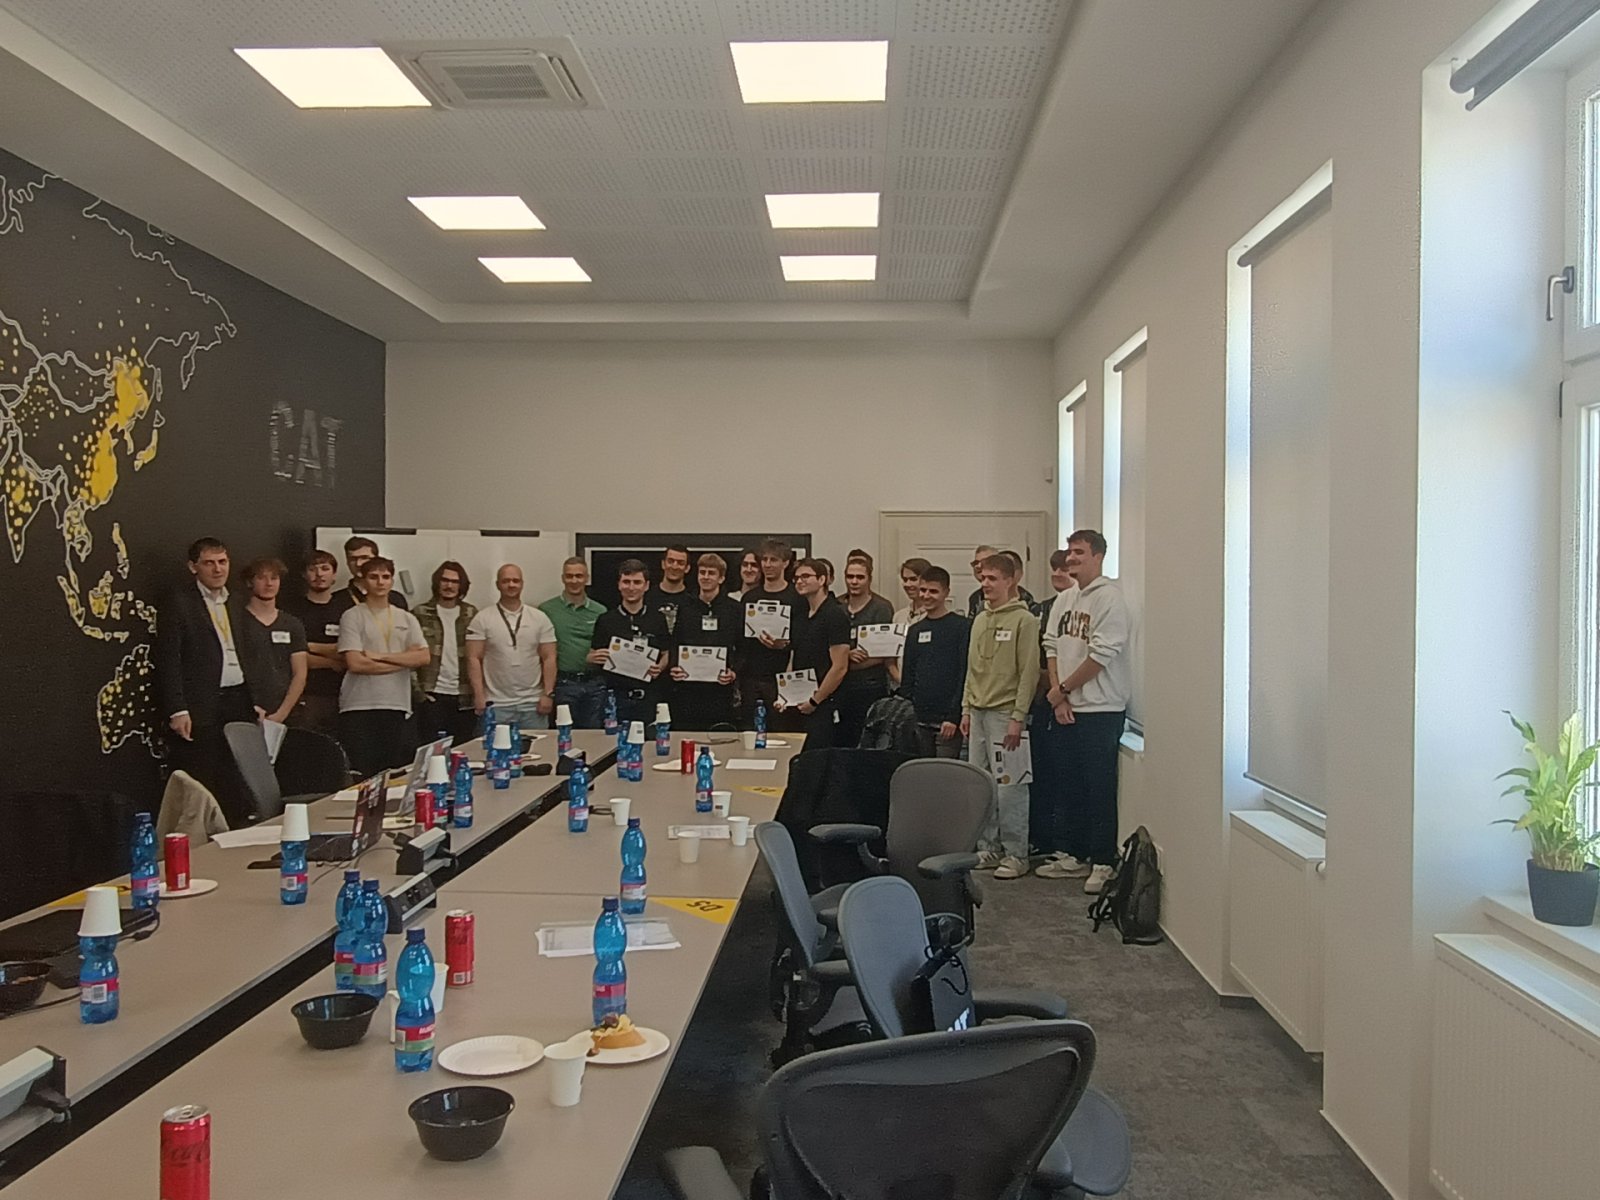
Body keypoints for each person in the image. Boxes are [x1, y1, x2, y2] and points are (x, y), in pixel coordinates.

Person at [1039, 530, 1133, 896]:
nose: (1071, 558)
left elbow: (1101, 655)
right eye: (1069, 552)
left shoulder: (1111, 600)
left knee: (1099, 788)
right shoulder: (1065, 599)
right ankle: (1074, 855)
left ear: (1098, 556)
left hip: (1101, 709)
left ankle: (1103, 861)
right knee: (1068, 784)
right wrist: (1059, 697)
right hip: (1066, 706)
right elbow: (1051, 645)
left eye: (1079, 552)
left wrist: (1063, 690)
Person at [156, 537, 257, 823]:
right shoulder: (179, 602)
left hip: (238, 698)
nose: (217, 569)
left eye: (222, 562)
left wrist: (255, 698)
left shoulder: (236, 600)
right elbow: (168, 658)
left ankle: (237, 830)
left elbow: (248, 650)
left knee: (239, 776)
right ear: (193, 567)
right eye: (209, 563)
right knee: (204, 775)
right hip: (200, 703)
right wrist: (177, 709)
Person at [961, 553, 1040, 880]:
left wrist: (1018, 717)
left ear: (1011, 580)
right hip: (978, 711)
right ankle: (988, 847)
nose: (985, 584)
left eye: (992, 578)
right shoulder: (980, 620)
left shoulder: (1024, 621)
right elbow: (971, 669)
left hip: (1006, 712)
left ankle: (1016, 854)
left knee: (1011, 786)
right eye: (982, 578)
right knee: (982, 783)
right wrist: (966, 708)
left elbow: (1029, 673)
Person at [336, 556, 429, 777]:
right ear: (363, 581)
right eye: (374, 577)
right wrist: (404, 660)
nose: (380, 582)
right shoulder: (352, 616)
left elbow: (424, 658)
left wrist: (380, 656)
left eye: (385, 577)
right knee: (364, 774)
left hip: (396, 704)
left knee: (393, 773)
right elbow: (355, 663)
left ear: (392, 581)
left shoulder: (406, 618)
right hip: (359, 705)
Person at [1030, 549, 1080, 861]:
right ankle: (1041, 837)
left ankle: (1064, 843)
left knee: (1066, 777)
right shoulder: (1042, 608)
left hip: (1069, 699)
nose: (1059, 574)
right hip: (1043, 700)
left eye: (1066, 569)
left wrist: (1060, 691)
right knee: (1040, 774)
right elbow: (1044, 651)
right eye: (1055, 569)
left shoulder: (1082, 607)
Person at [466, 564, 558, 732]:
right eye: (506, 581)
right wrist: (479, 695)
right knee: (494, 748)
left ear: (522, 584)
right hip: (495, 704)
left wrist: (547, 694)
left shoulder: (540, 618)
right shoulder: (482, 618)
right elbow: (474, 658)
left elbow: (549, 657)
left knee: (538, 748)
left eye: (516, 581)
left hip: (532, 703)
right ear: (497, 584)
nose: (511, 585)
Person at [588, 558, 670, 730]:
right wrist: (594, 657)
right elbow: (591, 654)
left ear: (646, 586)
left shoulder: (657, 619)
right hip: (615, 700)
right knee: (612, 743)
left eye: (637, 582)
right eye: (626, 582)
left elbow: (666, 652)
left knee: (649, 743)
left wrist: (660, 667)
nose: (631, 587)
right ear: (619, 584)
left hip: (648, 698)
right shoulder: (606, 619)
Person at [898, 567, 970, 758]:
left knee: (943, 771)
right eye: (923, 590)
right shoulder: (915, 630)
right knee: (920, 770)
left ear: (946, 592)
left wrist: (954, 716)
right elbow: (908, 674)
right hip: (918, 720)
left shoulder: (961, 627)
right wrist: (909, 711)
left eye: (933, 591)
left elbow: (964, 673)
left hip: (947, 721)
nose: (926, 596)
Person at [780, 557, 851, 748]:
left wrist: (815, 700)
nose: (800, 581)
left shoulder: (835, 615)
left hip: (823, 703)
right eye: (796, 578)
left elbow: (840, 667)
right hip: (799, 700)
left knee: (818, 756)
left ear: (822, 580)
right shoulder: (800, 615)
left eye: (805, 576)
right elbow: (794, 656)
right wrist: (786, 695)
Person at [669, 553, 742, 730]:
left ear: (721, 578)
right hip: (688, 690)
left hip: (720, 690)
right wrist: (675, 666)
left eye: (711, 573)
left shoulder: (734, 609)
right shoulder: (685, 606)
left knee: (719, 737)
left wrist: (734, 672)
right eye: (702, 572)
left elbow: (742, 647)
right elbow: (676, 642)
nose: (706, 577)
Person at [235, 557, 308, 728]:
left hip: (287, 712)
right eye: (261, 578)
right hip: (245, 709)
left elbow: (300, 673)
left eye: (274, 578)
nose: (269, 584)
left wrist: (282, 713)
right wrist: (249, 707)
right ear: (249, 582)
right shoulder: (237, 621)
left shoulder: (292, 624)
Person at [281, 550, 347, 736]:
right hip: (304, 694)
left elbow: (349, 652)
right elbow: (288, 653)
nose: (319, 574)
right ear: (304, 574)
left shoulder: (347, 610)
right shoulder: (290, 610)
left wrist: (308, 646)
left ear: (334, 574)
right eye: (312, 569)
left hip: (342, 693)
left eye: (325, 568)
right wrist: (331, 662)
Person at [539, 556, 609, 729]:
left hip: (595, 684)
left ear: (587, 578)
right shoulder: (546, 610)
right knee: (564, 734)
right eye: (569, 576)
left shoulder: (601, 611)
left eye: (579, 576)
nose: (574, 581)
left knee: (593, 736)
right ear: (563, 578)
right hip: (563, 683)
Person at [413, 561, 478, 745]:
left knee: (463, 750)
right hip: (432, 694)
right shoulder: (420, 613)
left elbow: (481, 655)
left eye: (455, 581)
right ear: (437, 582)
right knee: (431, 752)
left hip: (464, 696)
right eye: (445, 580)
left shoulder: (471, 613)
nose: (449, 586)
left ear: (462, 585)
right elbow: (409, 655)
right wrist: (418, 693)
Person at [740, 538, 801, 730]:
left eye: (773, 560)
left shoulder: (797, 598)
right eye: (764, 559)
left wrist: (784, 644)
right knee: (750, 732)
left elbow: (804, 640)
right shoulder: (750, 598)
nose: (767, 564)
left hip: (782, 680)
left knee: (782, 732)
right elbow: (740, 641)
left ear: (786, 563)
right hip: (751, 678)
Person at [835, 554, 895, 747]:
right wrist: (846, 655)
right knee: (842, 740)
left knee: (868, 740)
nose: (854, 581)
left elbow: (886, 651)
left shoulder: (881, 608)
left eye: (860, 577)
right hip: (840, 686)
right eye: (850, 576)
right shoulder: (837, 607)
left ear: (869, 578)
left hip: (871, 686)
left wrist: (846, 661)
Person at [887, 557, 931, 689]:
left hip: (925, 687)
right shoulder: (899, 616)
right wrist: (899, 679)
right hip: (899, 687)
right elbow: (890, 657)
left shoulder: (933, 616)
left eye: (913, 579)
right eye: (905, 579)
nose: (908, 584)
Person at [964, 544, 1037, 617]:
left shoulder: (1025, 600)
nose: (978, 566)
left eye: (987, 562)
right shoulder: (976, 598)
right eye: (976, 563)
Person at [343, 535, 409, 610]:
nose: (359, 564)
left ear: (376, 560)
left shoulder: (396, 599)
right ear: (347, 562)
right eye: (353, 559)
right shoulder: (336, 600)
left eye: (364, 558)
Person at [646, 544, 691, 638]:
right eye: (670, 561)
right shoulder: (647, 597)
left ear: (687, 568)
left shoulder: (693, 600)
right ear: (663, 564)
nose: (674, 566)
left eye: (680, 563)